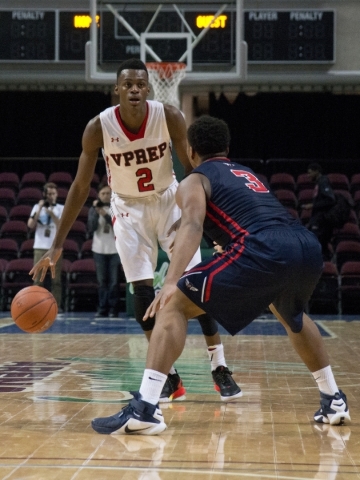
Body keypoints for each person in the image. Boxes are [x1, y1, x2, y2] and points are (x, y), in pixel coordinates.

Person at [90, 115, 350, 435]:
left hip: (262, 249)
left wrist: (171, 281)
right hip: (304, 247)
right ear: (227, 148)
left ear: (190, 149)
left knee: (173, 305)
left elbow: (191, 225)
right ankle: (333, 398)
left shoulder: (194, 180)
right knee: (290, 313)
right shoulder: (245, 172)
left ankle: (145, 408)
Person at [29, 58, 240, 403]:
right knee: (139, 294)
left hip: (168, 198)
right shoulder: (98, 127)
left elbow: (193, 171)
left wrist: (215, 229)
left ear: (149, 88)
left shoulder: (169, 115)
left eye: (141, 84)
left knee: (194, 284)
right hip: (127, 207)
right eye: (128, 84)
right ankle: (170, 377)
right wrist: (57, 245)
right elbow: (81, 187)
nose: (135, 90)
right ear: (117, 89)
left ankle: (219, 365)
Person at [27, 182, 64, 311]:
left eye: (53, 194)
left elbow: (61, 225)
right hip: (40, 246)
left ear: (57, 194)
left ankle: (56, 306)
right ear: (44, 194)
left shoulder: (60, 208)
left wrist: (51, 212)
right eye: (49, 194)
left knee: (56, 280)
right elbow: (31, 225)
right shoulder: (37, 206)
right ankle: (35, 305)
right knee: (38, 278)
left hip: (55, 247)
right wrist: (40, 209)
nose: (51, 196)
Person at [301, 163, 350, 259]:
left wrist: (312, 205)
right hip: (319, 220)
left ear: (316, 171)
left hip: (322, 221)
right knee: (321, 246)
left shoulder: (323, 182)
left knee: (317, 244)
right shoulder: (319, 183)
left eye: (310, 173)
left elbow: (330, 199)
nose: (308, 176)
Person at [87, 183, 120, 318]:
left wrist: (105, 214)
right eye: (103, 194)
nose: (106, 196)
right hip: (99, 249)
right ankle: (102, 308)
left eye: (108, 193)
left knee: (114, 281)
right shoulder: (93, 210)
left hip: (115, 249)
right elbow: (91, 227)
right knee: (102, 281)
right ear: (98, 195)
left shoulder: (117, 208)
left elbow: (117, 226)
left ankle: (113, 309)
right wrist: (97, 212)